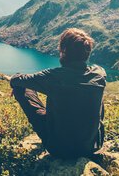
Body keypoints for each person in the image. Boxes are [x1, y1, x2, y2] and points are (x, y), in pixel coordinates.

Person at [10, 28, 106, 159]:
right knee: (95, 94)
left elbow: (16, 80)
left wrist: (18, 85)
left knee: (22, 87)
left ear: (64, 51)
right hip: (92, 146)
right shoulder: (99, 74)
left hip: (59, 148)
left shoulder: (54, 77)